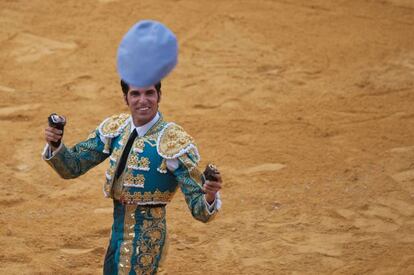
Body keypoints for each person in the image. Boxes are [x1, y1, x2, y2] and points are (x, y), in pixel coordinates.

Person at [42, 20, 222, 275]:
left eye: (149, 93)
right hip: (118, 228)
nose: (143, 100)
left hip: (147, 236)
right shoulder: (115, 128)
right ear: (125, 98)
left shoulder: (174, 141)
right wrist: (56, 144)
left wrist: (210, 195)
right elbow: (72, 166)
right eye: (136, 94)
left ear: (159, 96)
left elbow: (200, 210)